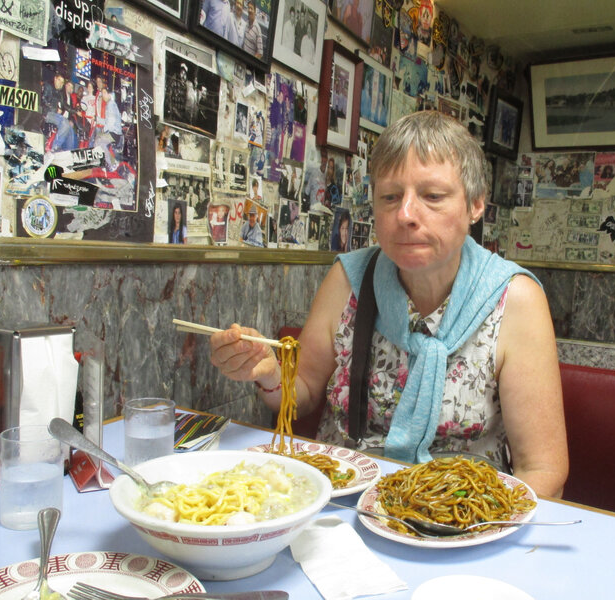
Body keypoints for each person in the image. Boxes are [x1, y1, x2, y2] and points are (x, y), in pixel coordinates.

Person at [208, 111, 569, 498]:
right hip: (341, 498)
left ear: (475, 205)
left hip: (463, 513)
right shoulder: (349, 278)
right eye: (390, 197)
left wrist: (473, 525)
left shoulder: (514, 299)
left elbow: (543, 469)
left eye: (432, 196)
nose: (406, 215)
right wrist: (266, 371)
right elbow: (305, 392)